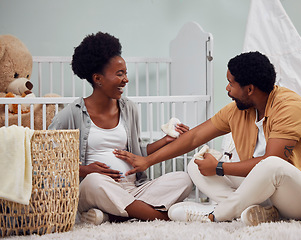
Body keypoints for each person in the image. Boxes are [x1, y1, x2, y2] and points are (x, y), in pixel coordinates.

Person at [114, 51, 301, 226]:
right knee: (196, 164)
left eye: (231, 83)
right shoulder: (238, 109)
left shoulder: (289, 107)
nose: (227, 88)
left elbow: (271, 162)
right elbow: (194, 138)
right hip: (258, 192)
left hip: (300, 198)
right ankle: (253, 212)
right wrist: (148, 160)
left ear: (249, 89)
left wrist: (220, 168)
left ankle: (216, 215)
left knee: (272, 165)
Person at [48, 32, 193, 224]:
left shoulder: (129, 108)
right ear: (98, 78)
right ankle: (159, 217)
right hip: (95, 188)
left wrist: (166, 141)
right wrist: (84, 170)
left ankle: (112, 215)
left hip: (132, 188)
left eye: (125, 73)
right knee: (95, 182)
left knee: (184, 179)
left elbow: (136, 154)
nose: (126, 79)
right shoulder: (73, 112)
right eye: (120, 74)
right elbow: (47, 158)